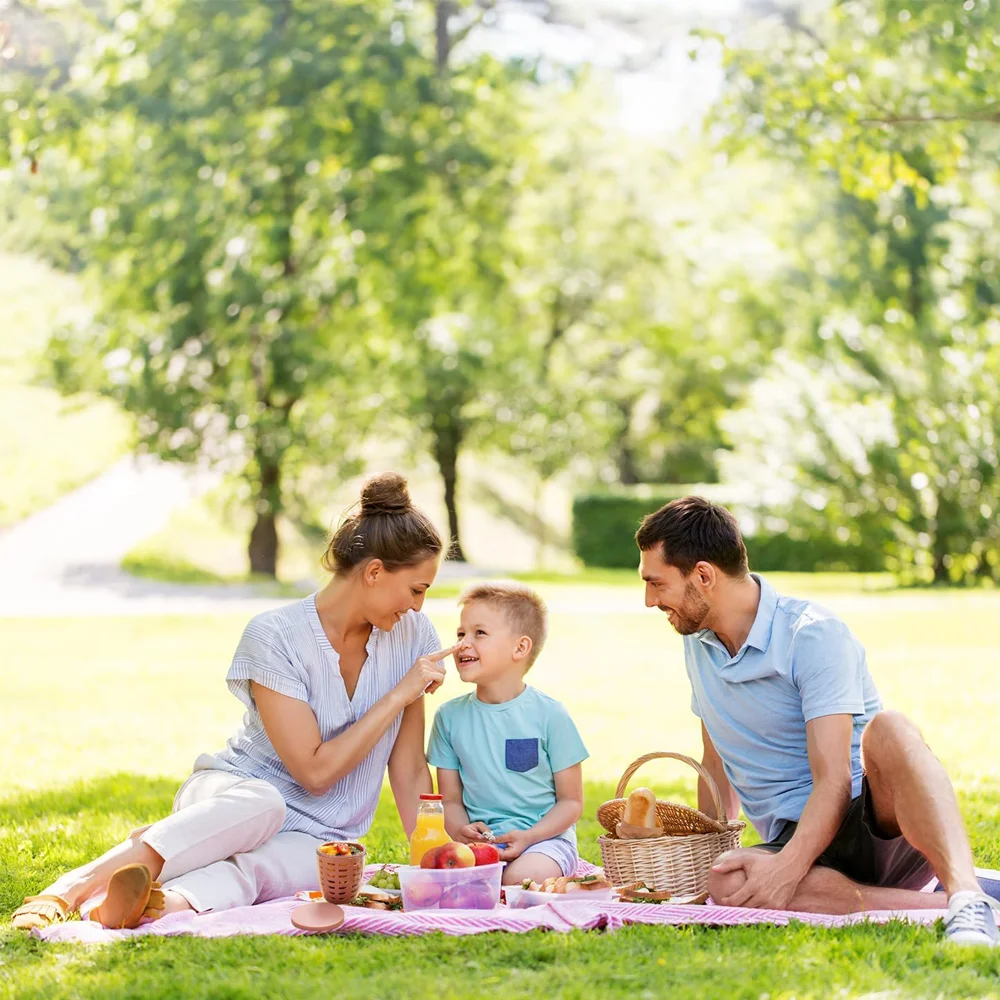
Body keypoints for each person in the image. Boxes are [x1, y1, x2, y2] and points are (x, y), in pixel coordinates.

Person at [13, 472, 458, 931]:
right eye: (417, 589)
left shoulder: (412, 637)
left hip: (321, 833)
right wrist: (399, 695)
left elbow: (406, 770)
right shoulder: (274, 635)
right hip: (234, 793)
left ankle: (151, 906)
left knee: (290, 869)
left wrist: (437, 860)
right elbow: (316, 772)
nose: (419, 607)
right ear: (374, 572)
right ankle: (71, 887)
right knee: (265, 804)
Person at [636, 495, 998, 947]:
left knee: (891, 728)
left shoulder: (812, 634)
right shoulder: (697, 642)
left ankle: (965, 893)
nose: (650, 600)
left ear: (703, 576)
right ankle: (966, 907)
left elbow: (834, 779)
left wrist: (787, 870)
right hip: (795, 839)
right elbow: (715, 759)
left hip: (867, 821)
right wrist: (709, 859)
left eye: (657, 583)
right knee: (728, 883)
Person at [426, 581, 588, 886]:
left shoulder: (551, 715)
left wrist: (529, 837)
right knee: (439, 877)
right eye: (461, 634)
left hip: (544, 842)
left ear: (520, 647)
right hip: (478, 847)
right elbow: (450, 802)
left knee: (520, 878)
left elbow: (571, 803)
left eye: (479, 633)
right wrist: (462, 830)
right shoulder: (448, 717)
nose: (462, 644)